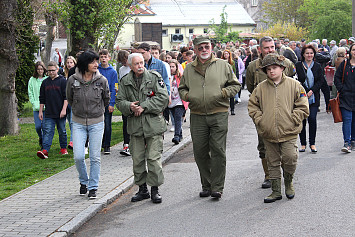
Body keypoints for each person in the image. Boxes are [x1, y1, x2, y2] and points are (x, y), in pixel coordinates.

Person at [178, 35, 241, 199]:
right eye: (200, 48)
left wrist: (223, 93)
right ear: (195, 50)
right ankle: (206, 185)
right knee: (200, 151)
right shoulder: (189, 68)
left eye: (206, 47)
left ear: (211, 48)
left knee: (218, 150)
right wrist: (189, 96)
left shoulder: (223, 65)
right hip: (198, 115)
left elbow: (235, 85)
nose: (204, 50)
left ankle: (217, 187)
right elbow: (182, 88)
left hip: (218, 113)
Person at [248, 53, 309, 203]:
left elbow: (303, 105)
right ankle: (276, 191)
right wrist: (261, 121)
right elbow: (252, 106)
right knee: (272, 161)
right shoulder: (260, 88)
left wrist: (293, 119)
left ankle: (288, 183)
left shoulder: (294, 85)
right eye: (268, 69)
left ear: (282, 68)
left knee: (290, 157)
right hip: (268, 132)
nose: (271, 71)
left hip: (289, 131)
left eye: (274, 68)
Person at [116, 53, 169, 204]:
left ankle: (155, 189)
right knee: (137, 159)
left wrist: (143, 107)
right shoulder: (125, 81)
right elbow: (120, 101)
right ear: (130, 65)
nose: (140, 66)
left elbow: (163, 98)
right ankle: (142, 189)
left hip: (153, 125)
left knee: (153, 158)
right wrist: (130, 107)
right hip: (136, 126)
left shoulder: (154, 77)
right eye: (136, 64)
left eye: (141, 63)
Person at [246, 36, 296, 189]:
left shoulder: (286, 63)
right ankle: (269, 176)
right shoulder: (253, 66)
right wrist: (259, 118)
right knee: (264, 145)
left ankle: (287, 175)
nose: (270, 50)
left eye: (272, 47)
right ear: (260, 49)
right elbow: (250, 88)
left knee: (286, 147)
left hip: (284, 111)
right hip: (264, 113)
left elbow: (292, 80)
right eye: (266, 48)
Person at [66, 50, 110, 199]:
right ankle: (83, 181)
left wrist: (97, 111)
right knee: (78, 156)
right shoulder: (72, 79)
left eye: (97, 61)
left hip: (97, 121)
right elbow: (69, 98)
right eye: (92, 62)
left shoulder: (102, 80)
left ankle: (93, 187)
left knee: (95, 156)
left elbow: (106, 99)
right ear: (85, 64)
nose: (96, 64)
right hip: (78, 122)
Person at [296, 44, 327, 153]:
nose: (309, 55)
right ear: (303, 54)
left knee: (312, 119)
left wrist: (312, 90)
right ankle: (303, 144)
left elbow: (320, 81)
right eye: (307, 53)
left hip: (314, 98)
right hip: (301, 98)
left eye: (311, 53)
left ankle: (312, 143)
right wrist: (305, 90)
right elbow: (297, 80)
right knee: (302, 121)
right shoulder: (298, 65)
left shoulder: (317, 66)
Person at [37, 61, 68, 159]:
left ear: (57, 69)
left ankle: (63, 148)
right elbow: (42, 98)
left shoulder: (63, 81)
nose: (51, 73)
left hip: (60, 112)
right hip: (49, 112)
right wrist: (41, 111)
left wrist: (64, 110)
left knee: (62, 131)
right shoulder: (45, 82)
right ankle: (45, 150)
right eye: (49, 71)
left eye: (53, 70)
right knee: (48, 131)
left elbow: (66, 97)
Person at [334, 44, 355, 153]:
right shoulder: (345, 64)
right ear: (350, 51)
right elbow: (336, 78)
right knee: (347, 119)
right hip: (345, 97)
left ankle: (353, 141)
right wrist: (342, 89)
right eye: (353, 50)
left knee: (354, 121)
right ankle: (346, 142)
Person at [98, 49, 119, 155]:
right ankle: (98, 144)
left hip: (107, 101)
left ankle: (107, 145)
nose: (103, 59)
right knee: (97, 123)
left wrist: (112, 103)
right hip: (97, 101)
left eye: (105, 57)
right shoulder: (96, 69)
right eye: (101, 57)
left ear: (109, 58)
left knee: (107, 123)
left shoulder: (113, 72)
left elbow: (114, 87)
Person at [28, 61, 48, 150]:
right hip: (36, 107)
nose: (40, 71)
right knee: (38, 126)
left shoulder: (47, 79)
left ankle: (44, 144)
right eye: (38, 69)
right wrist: (33, 102)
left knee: (44, 126)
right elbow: (30, 92)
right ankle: (40, 137)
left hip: (46, 107)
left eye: (41, 69)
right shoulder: (32, 79)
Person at [168, 59, 188, 144]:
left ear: (176, 67)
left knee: (177, 117)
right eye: (170, 67)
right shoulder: (167, 77)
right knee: (175, 118)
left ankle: (176, 136)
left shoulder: (180, 76)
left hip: (180, 101)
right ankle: (180, 134)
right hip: (170, 102)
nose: (171, 68)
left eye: (173, 66)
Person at [117, 50, 131, 156]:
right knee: (125, 122)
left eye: (125, 60)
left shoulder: (132, 67)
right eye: (122, 61)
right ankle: (126, 143)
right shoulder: (121, 69)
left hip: (133, 98)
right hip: (125, 98)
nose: (123, 63)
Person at [63, 56, 77, 149]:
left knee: (73, 122)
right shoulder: (62, 75)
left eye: (71, 62)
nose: (69, 64)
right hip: (64, 101)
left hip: (72, 101)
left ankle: (72, 141)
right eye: (68, 62)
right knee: (69, 121)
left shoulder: (75, 74)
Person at [221, 49, 238, 115]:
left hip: (230, 80)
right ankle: (225, 109)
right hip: (223, 80)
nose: (226, 55)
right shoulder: (221, 62)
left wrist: (235, 79)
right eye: (224, 54)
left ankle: (232, 109)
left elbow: (235, 71)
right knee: (224, 95)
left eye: (227, 54)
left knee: (231, 95)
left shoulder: (232, 62)